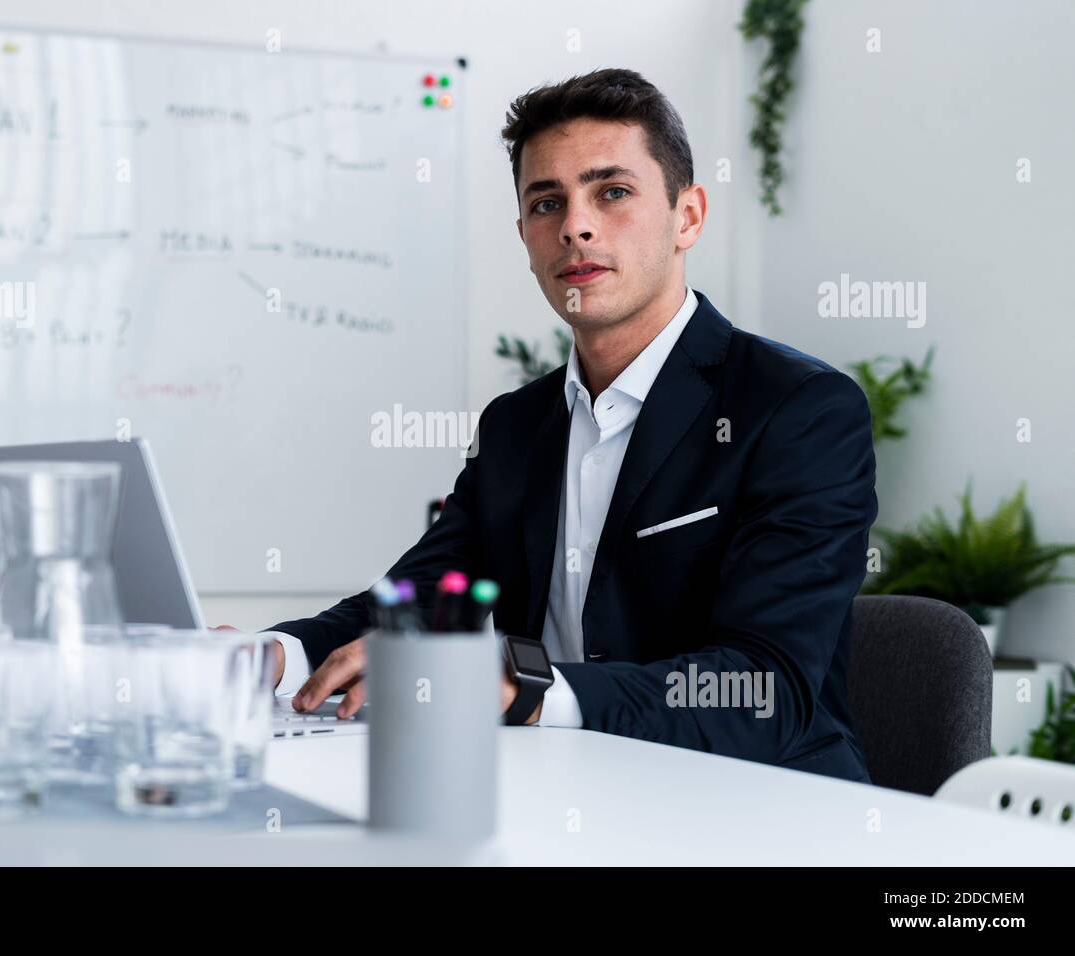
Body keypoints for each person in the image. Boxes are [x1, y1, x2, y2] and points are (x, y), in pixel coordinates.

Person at [230, 68, 877, 783]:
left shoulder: (800, 409)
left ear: (688, 216)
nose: (575, 224)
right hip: (566, 790)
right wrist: (272, 657)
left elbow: (765, 690)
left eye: (613, 192)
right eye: (547, 203)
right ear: (527, 237)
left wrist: (519, 684)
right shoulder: (516, 427)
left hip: (761, 804)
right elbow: (411, 603)